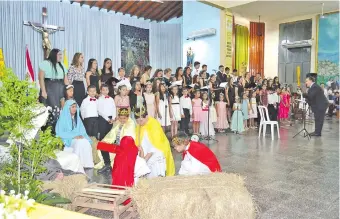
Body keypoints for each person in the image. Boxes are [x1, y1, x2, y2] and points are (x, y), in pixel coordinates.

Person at [135, 106, 176, 177]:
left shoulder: (154, 124)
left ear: (147, 116)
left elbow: (156, 145)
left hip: (155, 152)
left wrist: (144, 160)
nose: (139, 123)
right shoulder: (139, 126)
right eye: (137, 121)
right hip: (144, 153)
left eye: (141, 121)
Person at [56, 100, 94, 168]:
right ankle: (77, 165)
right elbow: (60, 132)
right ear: (68, 108)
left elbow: (82, 131)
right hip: (68, 139)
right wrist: (74, 136)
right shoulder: (62, 118)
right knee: (79, 143)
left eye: (75, 107)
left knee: (85, 142)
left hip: (78, 137)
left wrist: (82, 136)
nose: (74, 109)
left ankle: (86, 164)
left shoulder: (77, 118)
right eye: (72, 107)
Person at [96, 108, 135, 173]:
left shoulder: (131, 124)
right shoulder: (118, 123)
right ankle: (107, 165)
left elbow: (129, 139)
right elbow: (112, 134)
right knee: (102, 144)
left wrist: (119, 144)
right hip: (117, 146)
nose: (122, 120)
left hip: (125, 148)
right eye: (120, 118)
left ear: (128, 117)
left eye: (124, 118)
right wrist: (107, 141)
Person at [96, 84, 116, 172]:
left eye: (106, 90)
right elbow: (100, 111)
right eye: (103, 90)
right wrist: (108, 119)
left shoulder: (111, 99)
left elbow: (114, 108)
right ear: (101, 91)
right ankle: (107, 163)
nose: (104, 91)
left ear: (108, 90)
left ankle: (113, 163)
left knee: (111, 141)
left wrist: (114, 118)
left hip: (111, 121)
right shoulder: (99, 99)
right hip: (103, 120)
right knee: (104, 141)